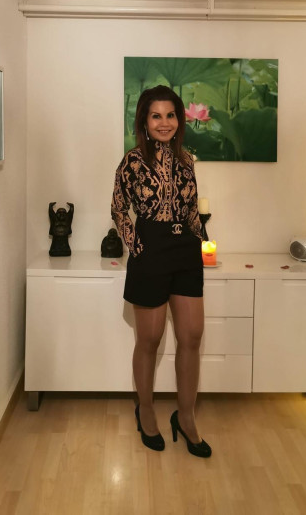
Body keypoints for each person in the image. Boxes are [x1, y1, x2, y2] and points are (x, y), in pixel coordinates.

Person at [111, 85, 211, 457]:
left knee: (192, 336)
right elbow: (118, 208)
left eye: (170, 115)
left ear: (179, 120)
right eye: (156, 116)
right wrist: (134, 243)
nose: (164, 123)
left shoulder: (187, 161)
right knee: (149, 339)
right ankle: (146, 409)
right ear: (144, 120)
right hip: (150, 249)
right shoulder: (133, 160)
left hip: (185, 250)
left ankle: (185, 417)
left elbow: (192, 208)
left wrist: (200, 239)